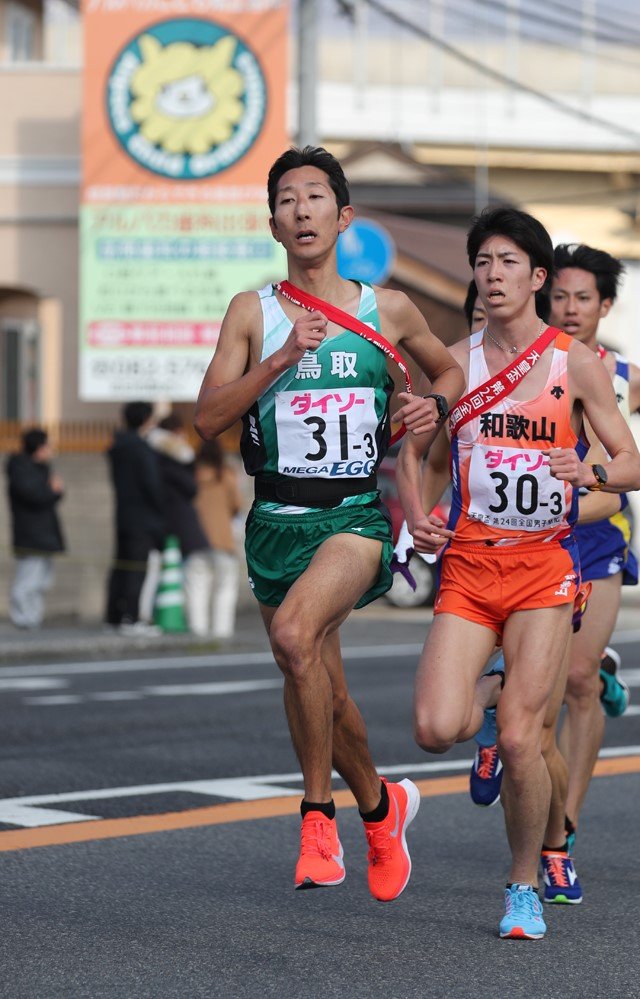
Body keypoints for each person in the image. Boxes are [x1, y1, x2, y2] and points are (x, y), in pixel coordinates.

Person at [194, 144, 464, 900]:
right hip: (275, 520)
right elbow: (208, 419)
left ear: (343, 216)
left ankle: (319, 815)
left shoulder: (389, 308)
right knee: (322, 686)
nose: (301, 209)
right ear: (274, 222)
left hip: (353, 517)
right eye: (286, 199)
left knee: (291, 638)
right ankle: (383, 808)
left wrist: (432, 406)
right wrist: (278, 361)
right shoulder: (253, 312)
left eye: (315, 196)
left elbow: (448, 371)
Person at [396, 206, 640, 940]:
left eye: (509, 263)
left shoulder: (576, 362)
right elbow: (421, 453)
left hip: (544, 569)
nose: (493, 275)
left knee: (523, 740)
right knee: (436, 725)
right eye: (484, 262)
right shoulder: (452, 361)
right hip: (469, 565)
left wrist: (588, 467)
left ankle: (524, 883)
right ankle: (495, 693)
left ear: (537, 277)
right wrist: (418, 515)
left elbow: (630, 460)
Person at [549, 243, 639, 849]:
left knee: (575, 680)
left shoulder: (624, 375)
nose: (570, 308)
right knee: (532, 682)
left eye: (583, 298)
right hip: (527, 534)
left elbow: (626, 459)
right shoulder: (524, 364)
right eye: (559, 296)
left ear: (604, 305)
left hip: (599, 531)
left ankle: (566, 822)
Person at [147, 413, 213, 636]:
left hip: (163, 525)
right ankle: (198, 629)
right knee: (195, 577)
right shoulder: (174, 461)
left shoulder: (152, 459)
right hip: (181, 526)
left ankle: (190, 626)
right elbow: (191, 488)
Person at [106, 401, 165, 633]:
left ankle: (113, 617)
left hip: (123, 513)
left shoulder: (118, 446)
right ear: (146, 420)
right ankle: (131, 618)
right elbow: (152, 485)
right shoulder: (141, 448)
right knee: (137, 567)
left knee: (121, 565)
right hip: (143, 517)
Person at [6, 427, 65, 629]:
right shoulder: (20, 469)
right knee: (28, 579)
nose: (49, 450)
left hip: (44, 533)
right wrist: (53, 491)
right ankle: (23, 618)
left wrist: (54, 492)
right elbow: (35, 496)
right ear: (38, 448)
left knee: (43, 581)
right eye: (46, 446)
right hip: (30, 534)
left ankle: (34, 617)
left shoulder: (41, 468)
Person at [193, 439, 243, 640]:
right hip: (223, 539)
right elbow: (237, 504)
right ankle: (222, 634)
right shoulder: (226, 475)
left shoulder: (191, 475)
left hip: (195, 538)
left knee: (196, 587)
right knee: (225, 587)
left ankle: (197, 634)